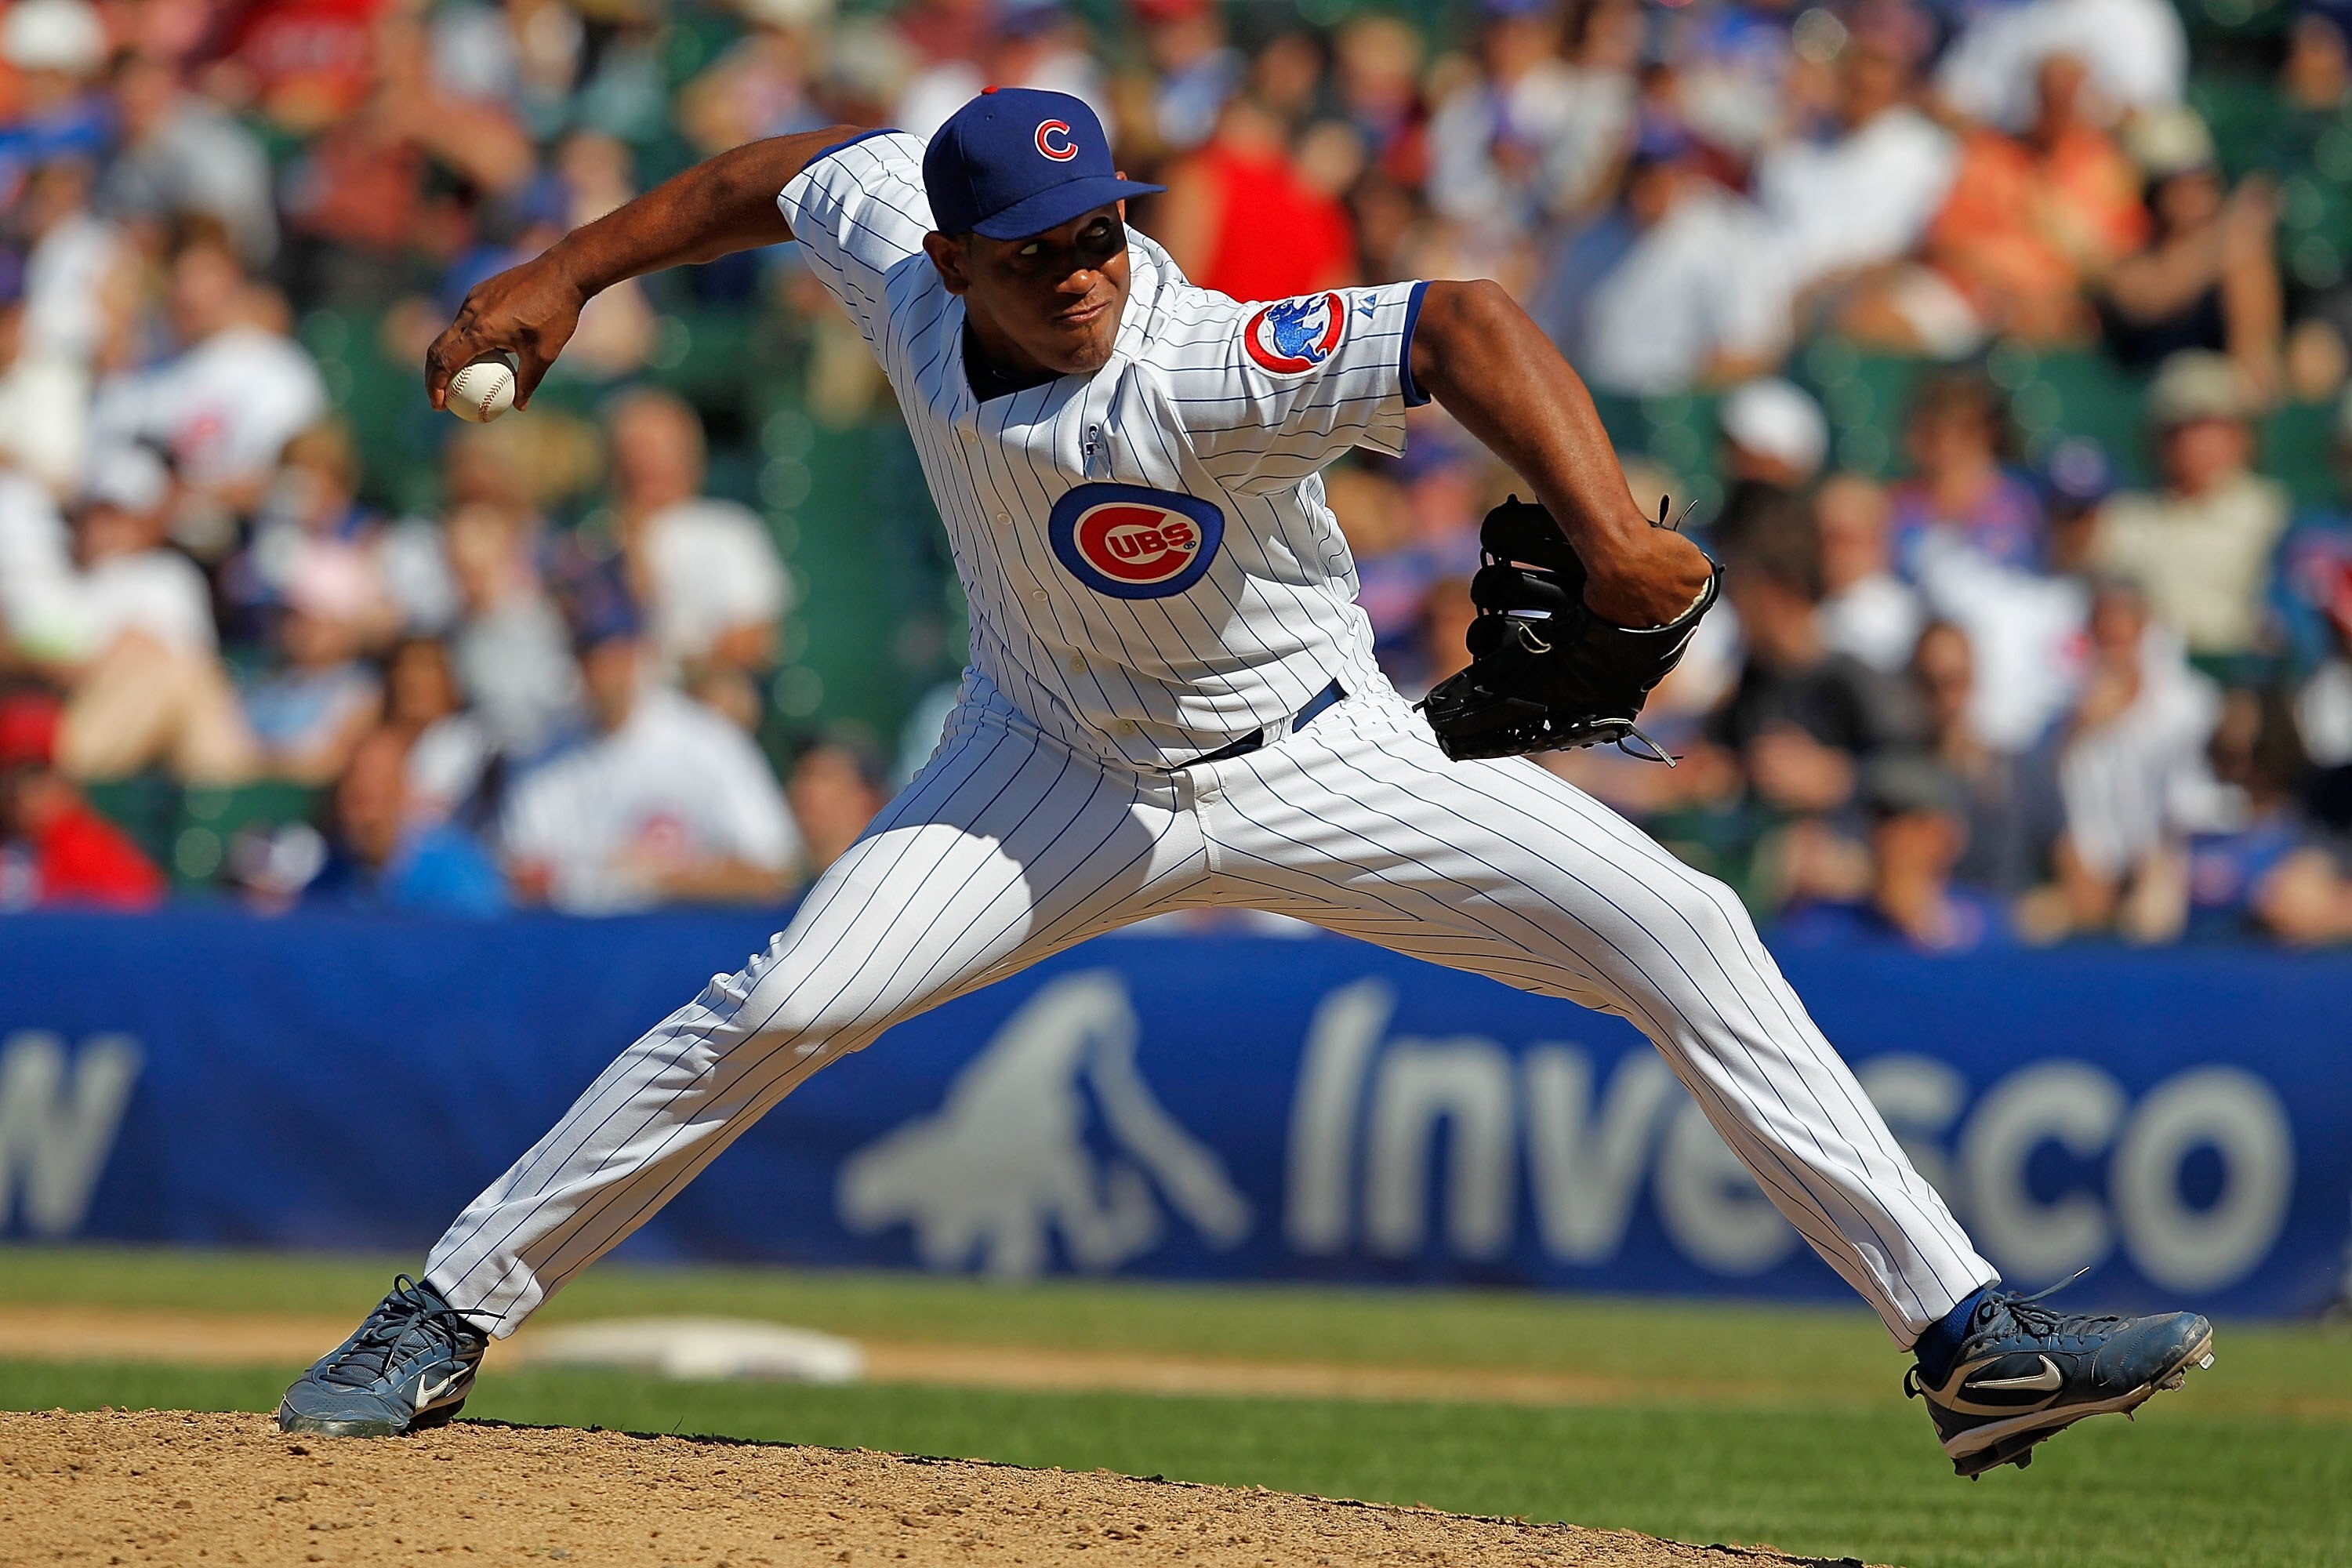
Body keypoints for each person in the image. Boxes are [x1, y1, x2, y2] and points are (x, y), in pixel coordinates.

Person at [277, 90, 2211, 1479]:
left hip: (1320, 756)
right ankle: (446, 1306)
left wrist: (1611, 528)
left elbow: (1456, 321)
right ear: (950, 256)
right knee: (782, 1000)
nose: (1091, 266)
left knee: (1685, 924)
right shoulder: (898, 246)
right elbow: (768, 170)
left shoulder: (1198, 360)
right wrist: (565, 267)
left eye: (1105, 226)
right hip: (1035, 760)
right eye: (1044, 249)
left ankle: (1963, 1338)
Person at [499, 582, 804, 915]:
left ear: (638, 652)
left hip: (687, 941)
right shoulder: (542, 758)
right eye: (591, 654)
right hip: (580, 946)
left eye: (616, 653)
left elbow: (775, 872)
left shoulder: (708, 742)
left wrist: (661, 879)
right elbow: (517, 878)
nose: (604, 670)